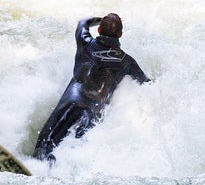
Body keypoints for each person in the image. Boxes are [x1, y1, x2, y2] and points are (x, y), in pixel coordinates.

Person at [33, 13, 151, 162]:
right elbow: (146, 83)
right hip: (93, 113)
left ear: (99, 30)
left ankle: (37, 167)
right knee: (71, 157)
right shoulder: (127, 62)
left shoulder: (85, 42)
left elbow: (83, 22)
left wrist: (103, 20)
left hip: (72, 102)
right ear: (120, 35)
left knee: (44, 147)